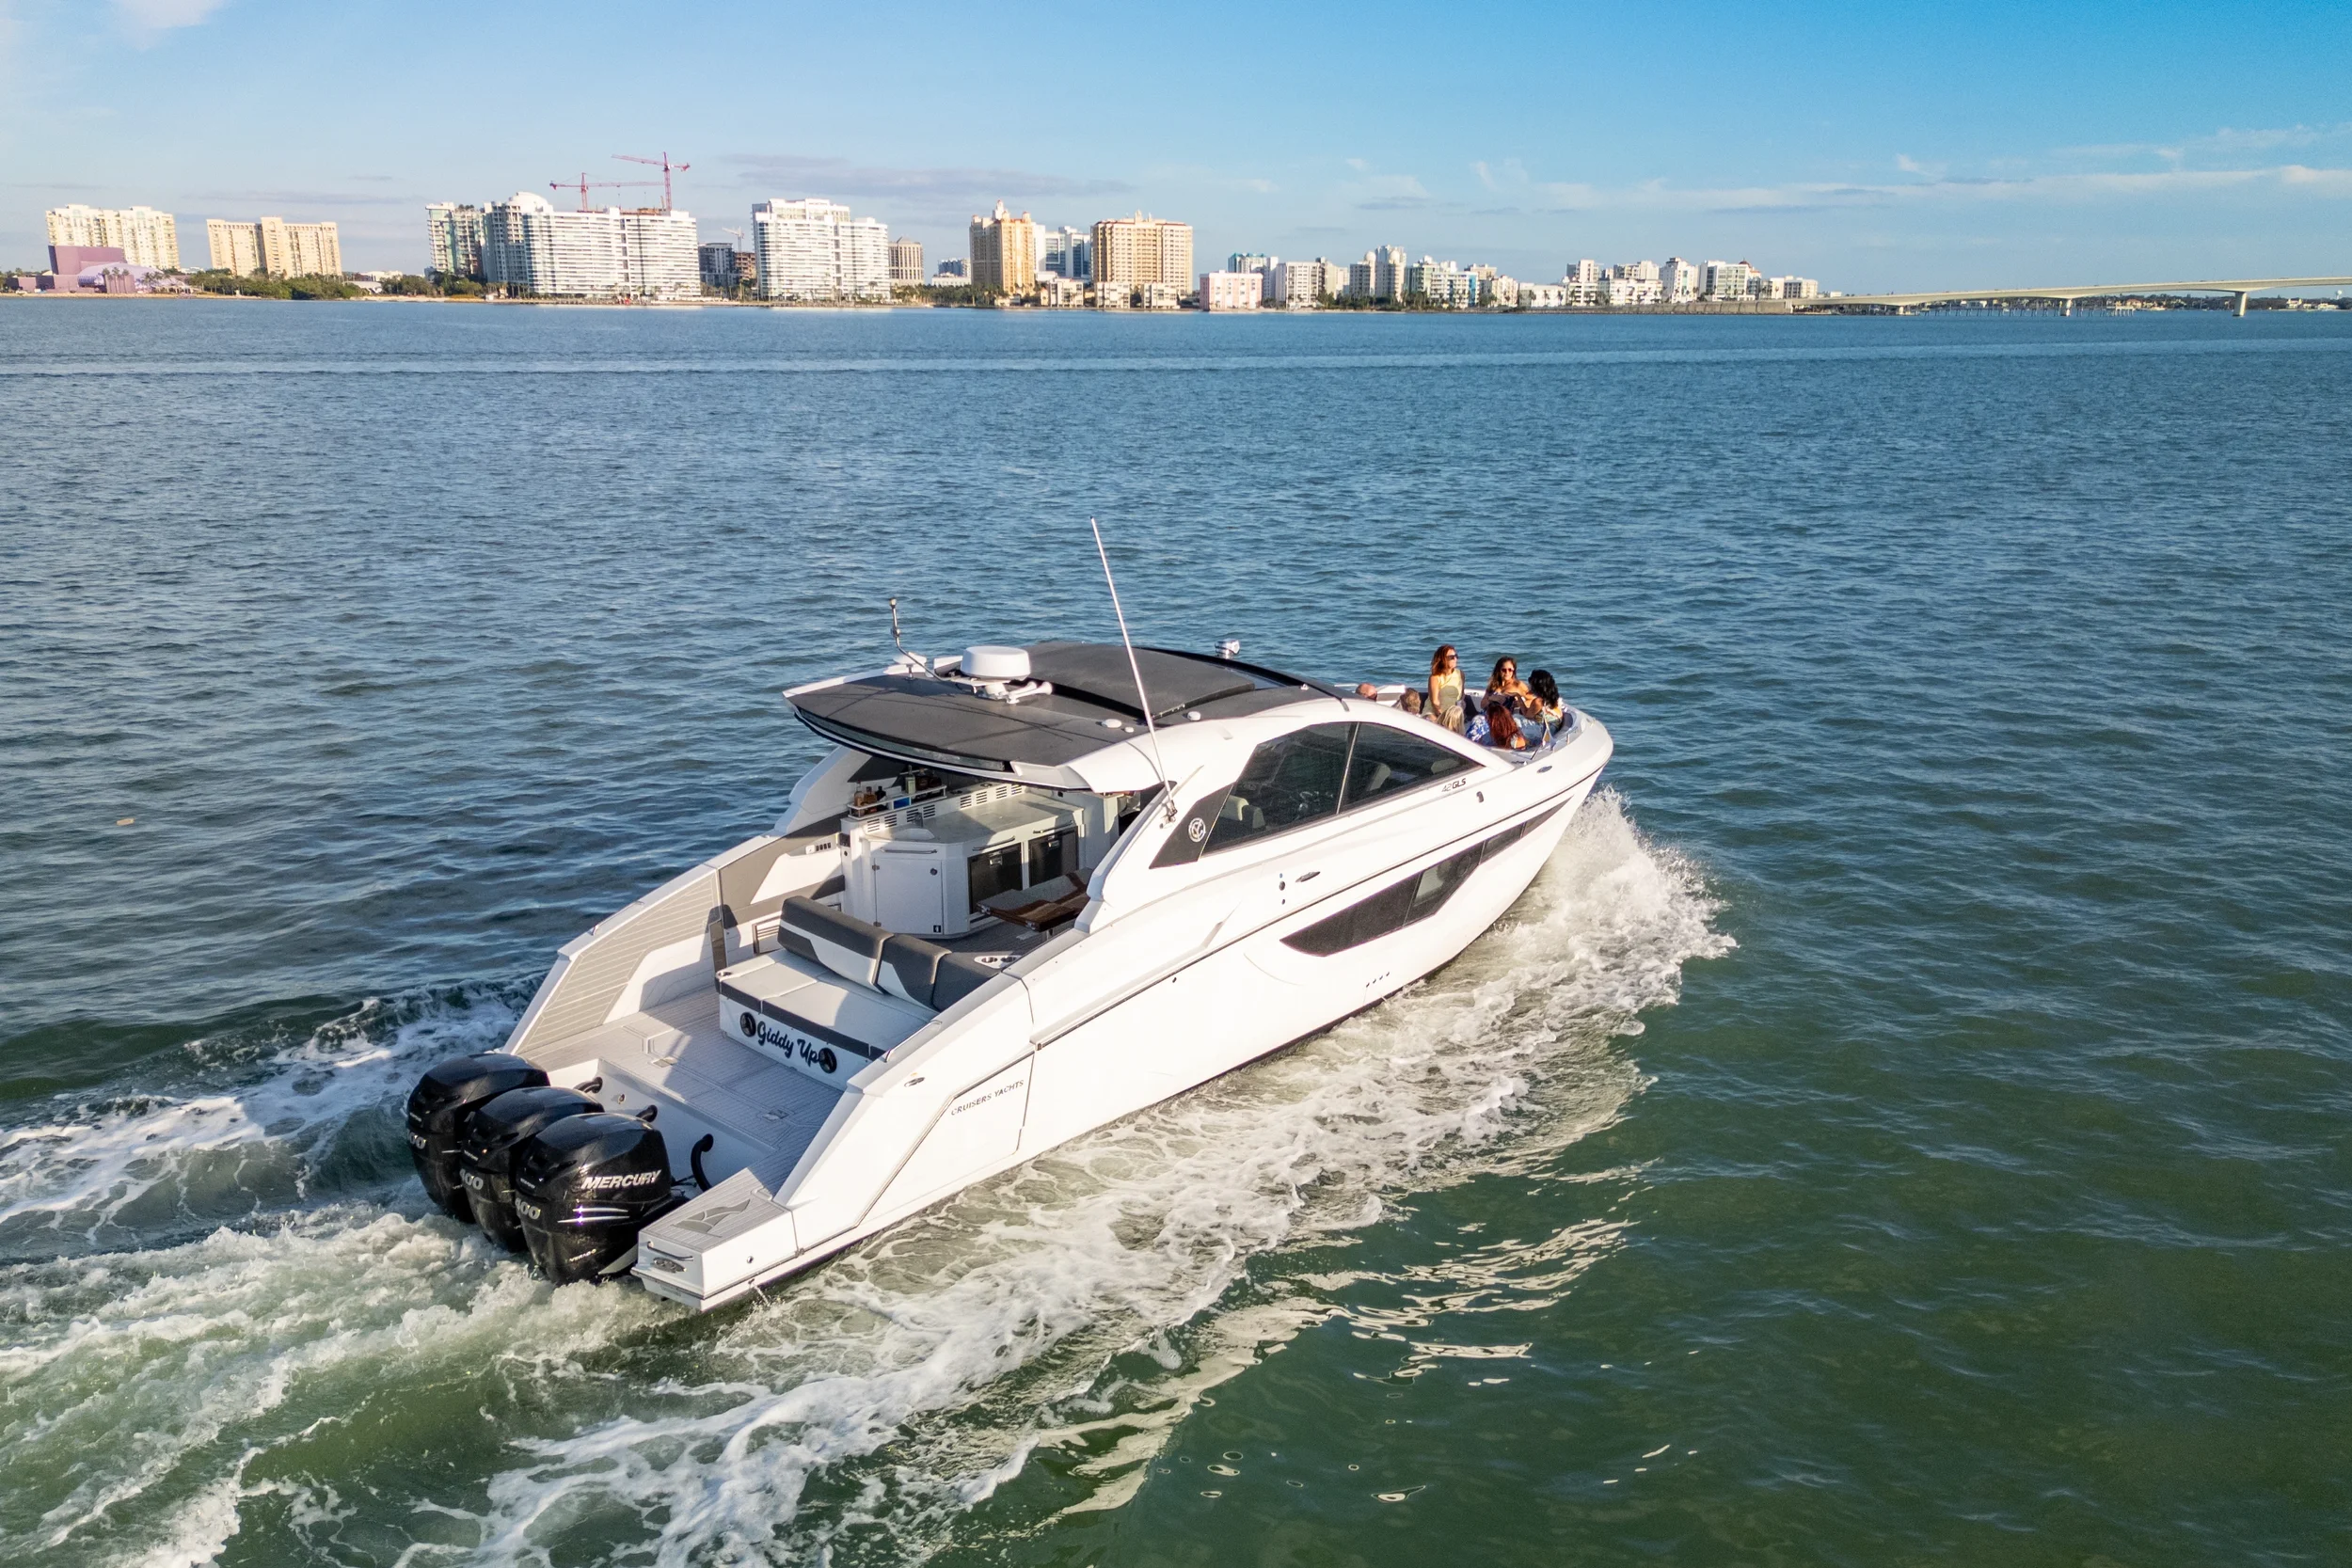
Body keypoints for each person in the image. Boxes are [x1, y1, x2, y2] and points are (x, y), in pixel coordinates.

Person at [1427, 644, 1466, 733]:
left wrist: (1461, 705)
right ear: (1443, 659)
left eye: (1456, 656)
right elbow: (1435, 702)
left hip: (1453, 713)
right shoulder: (1435, 677)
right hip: (1436, 712)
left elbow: (1462, 695)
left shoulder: (1460, 674)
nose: (1455, 659)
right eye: (1452, 657)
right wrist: (1443, 718)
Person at [1526, 669, 1565, 741]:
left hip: (1545, 733)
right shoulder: (1554, 699)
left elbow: (1527, 716)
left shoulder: (1538, 701)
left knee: (1515, 719)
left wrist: (1519, 699)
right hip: (1554, 728)